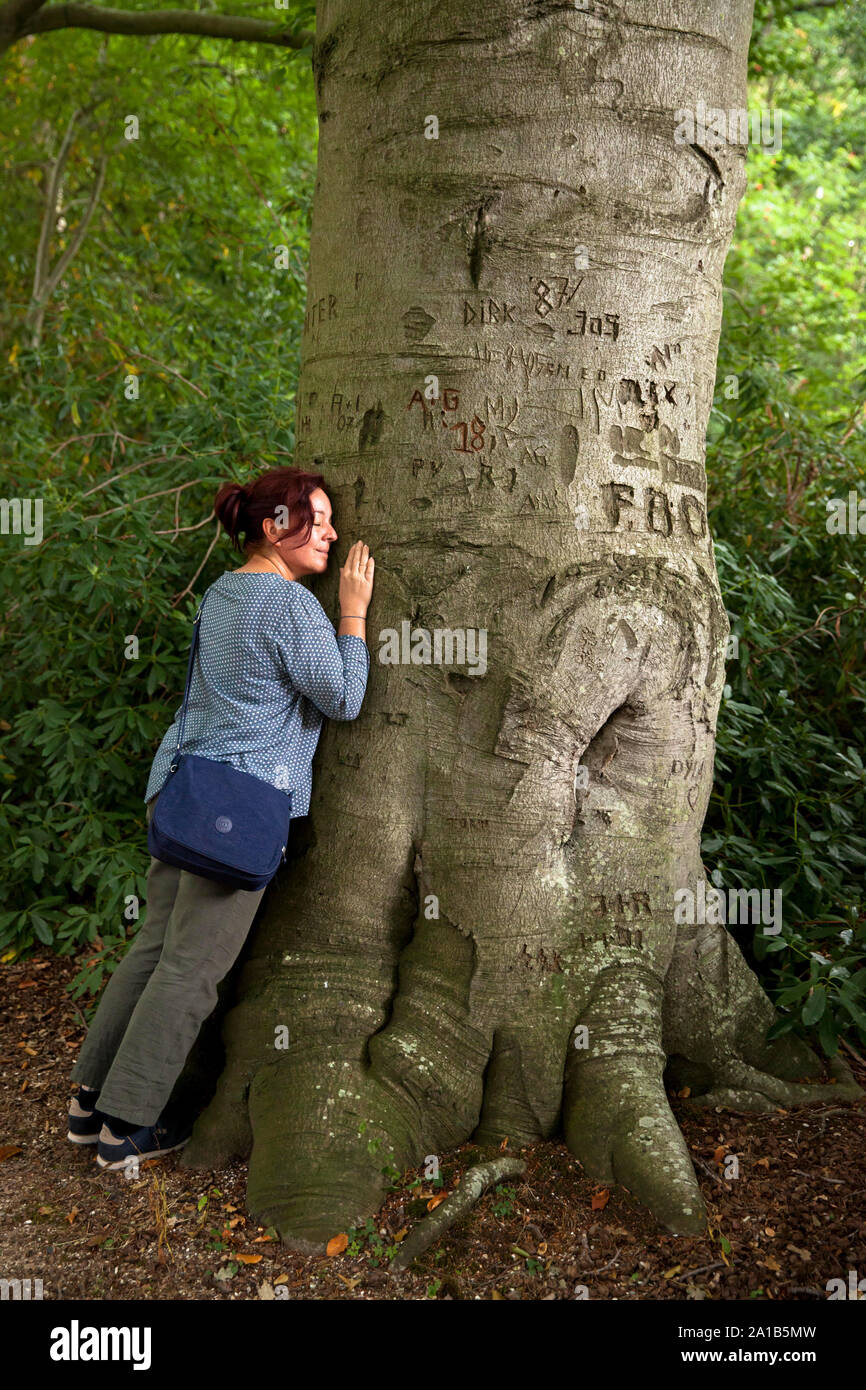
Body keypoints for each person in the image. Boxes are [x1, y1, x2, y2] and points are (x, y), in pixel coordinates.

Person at [66, 466, 374, 1169]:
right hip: (235, 811)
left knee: (153, 951)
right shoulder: (292, 606)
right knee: (190, 971)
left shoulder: (224, 591)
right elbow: (344, 698)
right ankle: (128, 1128)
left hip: (183, 792)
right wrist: (352, 609)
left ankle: (90, 1105)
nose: (331, 533)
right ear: (275, 527)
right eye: (317, 519)